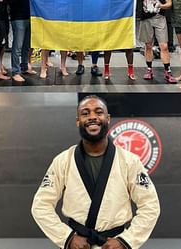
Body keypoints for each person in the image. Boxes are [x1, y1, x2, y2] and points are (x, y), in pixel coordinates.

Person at [31, 95, 160, 249]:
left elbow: (150, 205)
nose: (92, 117)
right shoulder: (63, 161)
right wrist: (67, 237)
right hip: (77, 244)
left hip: (114, 243)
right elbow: (40, 205)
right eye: (85, 113)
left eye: (98, 112)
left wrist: (126, 241)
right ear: (78, 121)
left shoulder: (129, 161)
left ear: (108, 118)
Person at [137, 0, 178, 84]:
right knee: (148, 46)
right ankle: (149, 69)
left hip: (159, 17)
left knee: (164, 46)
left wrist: (161, 5)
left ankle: (167, 71)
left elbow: (169, 3)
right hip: (145, 19)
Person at [67, 0, 106, 76]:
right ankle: (80, 65)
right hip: (79, 15)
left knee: (95, 41)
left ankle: (94, 66)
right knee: (80, 41)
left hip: (95, 16)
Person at [101, 0, 136, 80]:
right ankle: (106, 70)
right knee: (108, 45)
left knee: (128, 45)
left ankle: (130, 70)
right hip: (109, 18)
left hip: (124, 18)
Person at [40, 0, 73, 78]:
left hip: (64, 18)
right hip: (49, 18)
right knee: (46, 44)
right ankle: (43, 67)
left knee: (64, 44)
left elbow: (71, 3)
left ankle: (63, 66)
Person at [7, 0, 35, 82]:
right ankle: (15, 71)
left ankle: (24, 67)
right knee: (17, 46)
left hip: (30, 17)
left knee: (27, 46)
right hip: (18, 18)